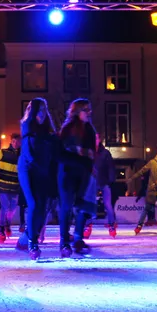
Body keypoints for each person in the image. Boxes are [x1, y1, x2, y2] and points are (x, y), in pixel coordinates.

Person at [16, 98, 58, 259]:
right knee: (33, 204)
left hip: (42, 171)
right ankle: (32, 243)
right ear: (33, 112)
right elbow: (28, 154)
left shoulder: (49, 133)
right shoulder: (28, 127)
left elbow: (55, 153)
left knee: (42, 207)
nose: (42, 113)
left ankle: (26, 237)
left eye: (44, 110)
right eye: (39, 110)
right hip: (27, 169)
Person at [58, 99, 96, 255]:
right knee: (66, 206)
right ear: (77, 111)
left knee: (82, 205)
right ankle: (64, 241)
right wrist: (80, 157)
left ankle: (78, 238)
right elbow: (62, 152)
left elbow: (92, 152)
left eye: (89, 109)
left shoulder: (90, 130)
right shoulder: (68, 128)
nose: (89, 112)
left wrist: (90, 167)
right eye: (86, 109)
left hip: (83, 173)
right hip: (68, 172)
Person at [128, 146, 157, 234]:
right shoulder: (152, 162)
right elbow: (142, 171)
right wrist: (132, 178)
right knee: (147, 208)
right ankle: (139, 225)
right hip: (152, 189)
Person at [0, 134, 22, 242]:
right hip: (3, 184)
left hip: (15, 185)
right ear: (11, 141)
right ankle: (1, 229)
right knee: (5, 207)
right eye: (14, 141)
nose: (16, 143)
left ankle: (7, 224)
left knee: (12, 208)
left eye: (18, 142)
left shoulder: (22, 154)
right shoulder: (3, 152)